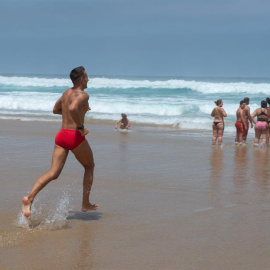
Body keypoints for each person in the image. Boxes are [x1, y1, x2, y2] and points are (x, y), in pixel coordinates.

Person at [22, 66, 98, 220]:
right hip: (74, 136)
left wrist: (79, 112)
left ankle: (29, 198)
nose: (89, 79)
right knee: (89, 166)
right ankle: (85, 203)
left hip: (61, 135)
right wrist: (81, 127)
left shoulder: (66, 93)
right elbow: (72, 107)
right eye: (87, 77)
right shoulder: (83, 95)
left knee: (53, 173)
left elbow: (56, 109)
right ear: (82, 80)